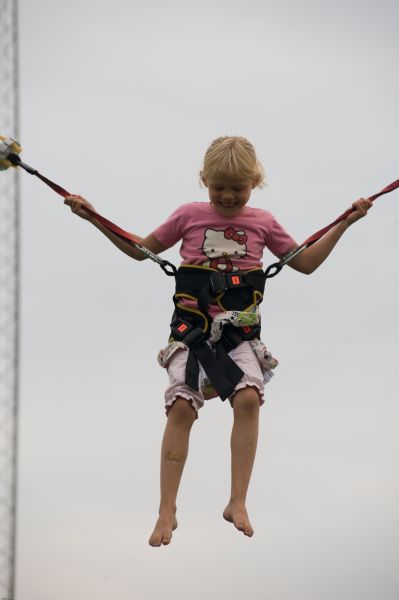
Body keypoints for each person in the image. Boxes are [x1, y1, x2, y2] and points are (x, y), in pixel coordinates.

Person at [64, 136, 372, 547]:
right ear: (204, 180)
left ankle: (237, 501)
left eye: (238, 188)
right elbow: (141, 250)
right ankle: (167, 509)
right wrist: (93, 218)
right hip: (190, 328)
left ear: (254, 183)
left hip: (239, 331)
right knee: (180, 409)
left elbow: (306, 262)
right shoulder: (189, 215)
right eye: (219, 187)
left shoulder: (263, 222)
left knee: (248, 400)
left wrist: (344, 223)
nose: (228, 196)